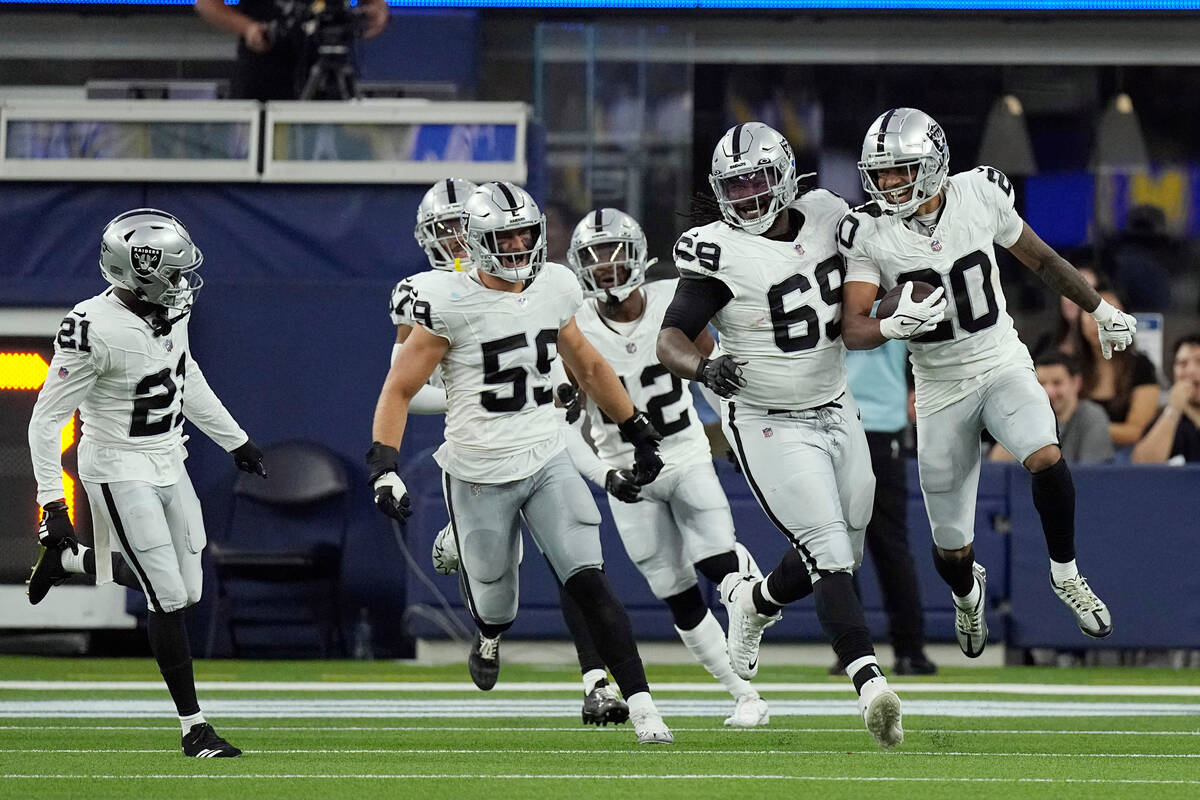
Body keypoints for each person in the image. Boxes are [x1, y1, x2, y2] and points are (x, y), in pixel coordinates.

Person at [368, 181, 673, 744]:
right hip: (478, 470)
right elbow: (400, 388)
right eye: (504, 237)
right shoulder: (444, 299)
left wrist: (636, 426)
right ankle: (487, 634)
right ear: (477, 241)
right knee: (497, 603)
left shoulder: (556, 284)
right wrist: (383, 463)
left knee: (588, 578)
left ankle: (643, 706)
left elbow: (586, 363)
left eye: (525, 235)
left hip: (545, 454)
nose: (517, 247)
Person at [839, 107, 1134, 659]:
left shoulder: (979, 193)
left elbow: (1041, 259)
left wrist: (1098, 309)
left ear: (932, 164)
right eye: (881, 172)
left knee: (1045, 454)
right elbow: (851, 327)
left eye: (901, 170)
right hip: (937, 386)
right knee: (950, 548)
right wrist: (887, 325)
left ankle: (1065, 572)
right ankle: (966, 592)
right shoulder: (867, 232)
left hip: (998, 359)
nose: (889, 182)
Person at [658, 122, 904, 750]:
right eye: (732, 185)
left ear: (786, 175)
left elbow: (876, 259)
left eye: (755, 179)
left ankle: (756, 602)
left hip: (837, 403)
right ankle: (870, 682)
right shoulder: (716, 250)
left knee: (847, 533)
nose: (744, 195)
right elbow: (671, 338)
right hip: (766, 418)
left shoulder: (826, 212)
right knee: (828, 549)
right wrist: (703, 368)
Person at [26, 209, 266, 758]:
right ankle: (194, 728)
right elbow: (45, 420)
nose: (183, 284)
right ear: (140, 272)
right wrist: (51, 503)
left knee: (189, 589)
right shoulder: (92, 327)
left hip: (168, 457)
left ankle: (73, 562)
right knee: (169, 596)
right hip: (117, 465)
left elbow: (185, 375)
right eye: (174, 273)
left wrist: (234, 439)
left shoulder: (170, 313)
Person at [562, 207, 770, 727]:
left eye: (615, 253)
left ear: (638, 255)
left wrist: (742, 439)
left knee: (715, 557)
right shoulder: (571, 324)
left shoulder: (670, 300)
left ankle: (750, 599)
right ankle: (744, 694)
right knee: (674, 593)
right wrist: (604, 476)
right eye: (595, 257)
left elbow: (718, 376)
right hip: (624, 469)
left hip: (684, 451)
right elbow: (561, 423)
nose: (607, 267)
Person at [845, 340, 937, 675]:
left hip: (841, 423)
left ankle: (853, 653)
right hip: (878, 427)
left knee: (837, 548)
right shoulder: (898, 297)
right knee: (889, 547)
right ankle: (909, 651)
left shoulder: (831, 293)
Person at [194, 0, 388, 101]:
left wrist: (376, 10)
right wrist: (247, 28)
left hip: (331, 67)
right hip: (266, 69)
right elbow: (207, 4)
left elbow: (375, 5)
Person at [990, 351, 1114, 464]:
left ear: (1076, 383)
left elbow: (1092, 474)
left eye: (1057, 383)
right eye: (1041, 383)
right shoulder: (1024, 417)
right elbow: (998, 465)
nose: (1048, 391)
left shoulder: (1092, 417)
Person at [1077, 286, 1159, 448]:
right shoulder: (1069, 365)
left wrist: (1085, 429)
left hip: (1126, 458)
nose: (1099, 322)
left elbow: (1137, 431)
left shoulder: (1140, 366)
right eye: (1091, 313)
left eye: (1109, 314)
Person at [1132, 333, 1200, 463]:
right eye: (1182, 363)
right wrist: (1173, 410)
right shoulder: (1167, 420)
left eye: (1199, 362)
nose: (1190, 371)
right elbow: (1142, 466)